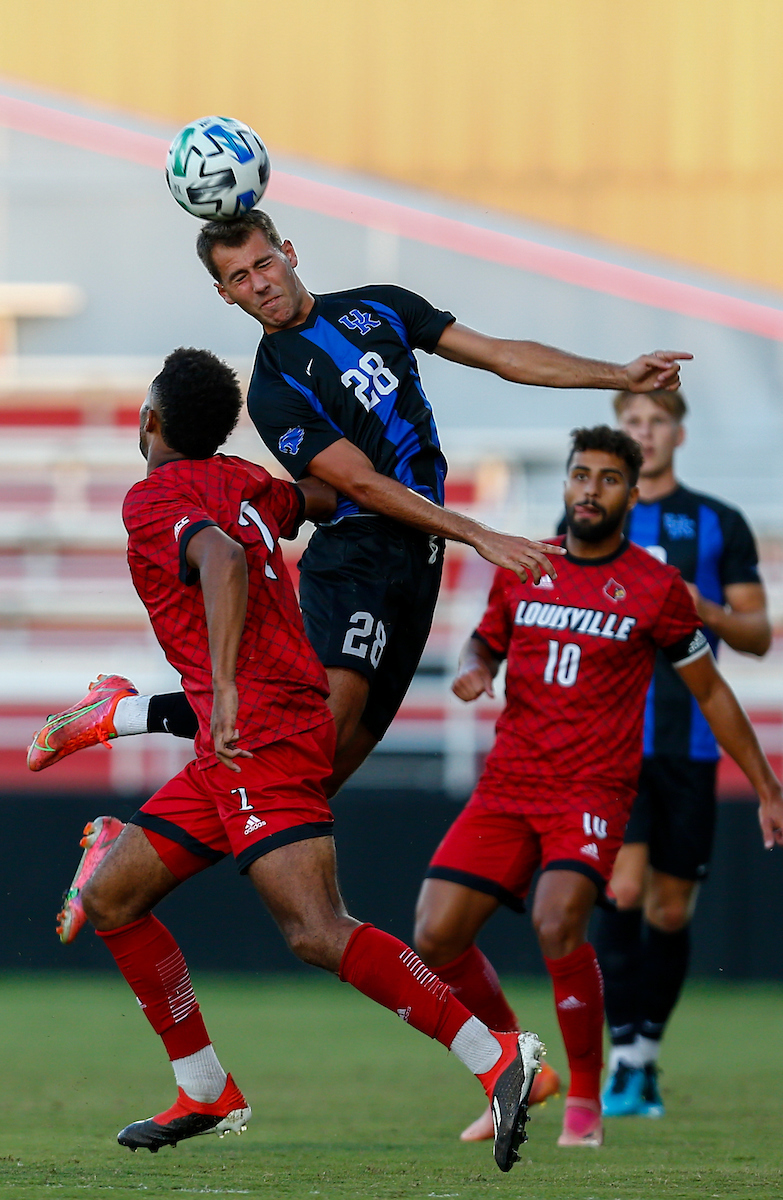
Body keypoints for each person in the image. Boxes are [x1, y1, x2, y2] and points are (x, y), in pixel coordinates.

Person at [59, 346, 544, 1171]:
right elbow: (312, 496)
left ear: (149, 422)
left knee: (317, 930)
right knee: (113, 897)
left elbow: (214, 557)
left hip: (260, 733)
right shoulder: (241, 479)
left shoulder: (156, 499)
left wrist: (222, 680)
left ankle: (497, 1056)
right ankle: (204, 1087)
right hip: (253, 732)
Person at [28, 209, 691, 794]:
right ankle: (125, 730)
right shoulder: (274, 389)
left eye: (262, 263)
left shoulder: (380, 306)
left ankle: (122, 767)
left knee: (314, 783)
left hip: (418, 559)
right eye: (238, 278)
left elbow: (498, 355)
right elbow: (363, 485)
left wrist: (617, 373)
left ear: (289, 251)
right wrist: (481, 534)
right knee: (299, 752)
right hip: (359, 553)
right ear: (224, 295)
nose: (258, 283)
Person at [410, 425, 783, 1149]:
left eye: (607, 479)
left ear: (630, 493)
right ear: (566, 484)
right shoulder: (525, 564)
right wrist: (476, 665)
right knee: (433, 934)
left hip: (591, 789)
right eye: (580, 474)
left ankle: (585, 1095)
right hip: (509, 783)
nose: (589, 489)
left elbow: (708, 691)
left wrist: (766, 785)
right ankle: (516, 1067)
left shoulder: (653, 588)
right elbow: (484, 638)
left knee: (557, 920)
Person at [591, 389, 771, 1118]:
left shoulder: (717, 522)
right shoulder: (595, 513)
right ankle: (620, 1055)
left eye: (655, 422)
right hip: (609, 740)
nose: (644, 433)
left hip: (690, 741)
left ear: (676, 433)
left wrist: (702, 607)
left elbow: (756, 635)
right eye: (631, 422)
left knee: (668, 911)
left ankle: (641, 1059)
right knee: (622, 891)